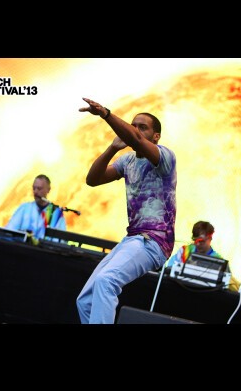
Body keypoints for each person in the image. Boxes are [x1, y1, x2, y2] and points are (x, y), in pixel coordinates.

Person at [76, 97, 177, 324]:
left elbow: (136, 139)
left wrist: (106, 114)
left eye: (142, 127)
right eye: (133, 125)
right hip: (132, 239)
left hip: (153, 241)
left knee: (106, 281)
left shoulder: (165, 157)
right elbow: (92, 180)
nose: (135, 130)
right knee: (86, 301)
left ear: (156, 136)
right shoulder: (128, 161)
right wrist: (112, 147)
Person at [167, 220, 241, 292]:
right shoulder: (184, 251)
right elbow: (169, 269)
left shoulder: (218, 261)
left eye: (201, 241)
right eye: (195, 240)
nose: (197, 244)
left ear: (210, 238)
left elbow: (230, 285)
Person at [6, 174, 66, 240]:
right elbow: (9, 231)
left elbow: (61, 240)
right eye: (34, 188)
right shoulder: (24, 208)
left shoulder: (56, 213)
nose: (35, 192)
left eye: (39, 189)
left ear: (48, 189)